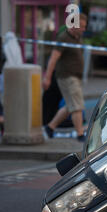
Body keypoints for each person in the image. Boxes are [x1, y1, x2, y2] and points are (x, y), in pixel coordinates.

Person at [43, 13, 88, 142]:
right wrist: (47, 77)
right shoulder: (63, 38)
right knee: (77, 105)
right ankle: (80, 134)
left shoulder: (77, 37)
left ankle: (50, 128)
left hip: (75, 76)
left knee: (70, 106)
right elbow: (53, 59)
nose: (84, 29)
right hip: (67, 76)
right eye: (82, 27)